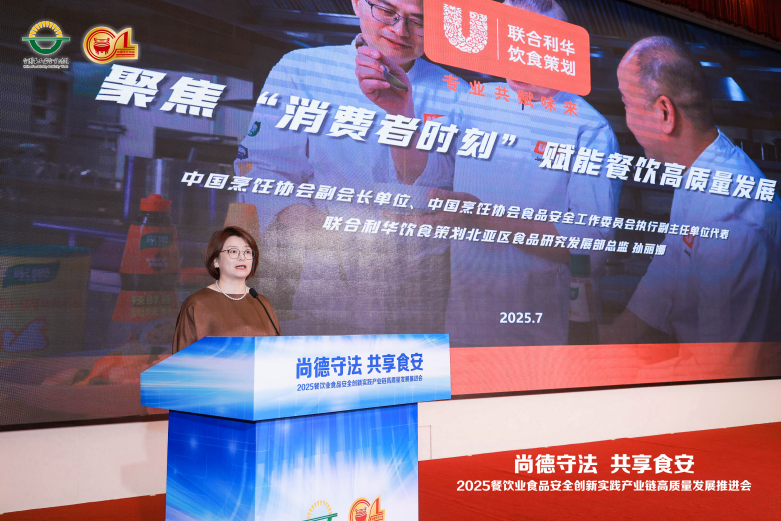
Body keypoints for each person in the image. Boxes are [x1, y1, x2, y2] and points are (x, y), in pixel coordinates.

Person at [235, 0, 461, 336]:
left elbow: (461, 192)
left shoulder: (459, 93)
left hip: (423, 294)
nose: (400, 30)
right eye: (387, 11)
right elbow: (264, 168)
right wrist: (316, 229)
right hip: (328, 286)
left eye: (420, 21)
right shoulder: (303, 69)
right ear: (357, 3)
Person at [440, 0, 621, 347]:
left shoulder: (589, 127)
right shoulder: (470, 102)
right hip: (466, 320)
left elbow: (592, 242)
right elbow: (431, 179)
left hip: (542, 328)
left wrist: (487, 220)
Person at [601, 36, 781, 350]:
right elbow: (668, 270)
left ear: (664, 113)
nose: (627, 119)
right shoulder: (698, 173)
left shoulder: (729, 217)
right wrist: (613, 339)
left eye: (627, 104)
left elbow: (722, 365)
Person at [172, 226, 280, 353]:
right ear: (216, 261)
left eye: (247, 252)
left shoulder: (262, 303)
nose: (242, 257)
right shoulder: (197, 304)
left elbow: (278, 353)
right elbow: (181, 360)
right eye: (233, 251)